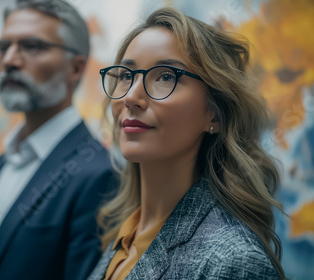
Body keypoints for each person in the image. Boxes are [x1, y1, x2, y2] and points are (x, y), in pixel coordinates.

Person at [88, 7, 285, 280]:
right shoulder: (124, 234)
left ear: (214, 113)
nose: (131, 97)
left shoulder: (233, 261)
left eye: (166, 76)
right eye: (125, 75)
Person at [0, 1, 117, 280]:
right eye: (3, 47)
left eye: (32, 46)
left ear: (76, 68)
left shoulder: (99, 174)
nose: (9, 60)